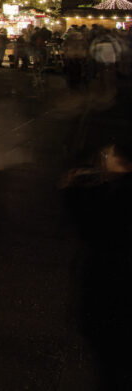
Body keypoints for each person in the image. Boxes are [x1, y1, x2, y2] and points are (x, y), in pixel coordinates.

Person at [63, 134, 132, 388]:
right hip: (114, 292)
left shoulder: (119, 194)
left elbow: (92, 228)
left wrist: (70, 192)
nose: (105, 160)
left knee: (111, 364)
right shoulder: (115, 190)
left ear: (126, 163)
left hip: (112, 291)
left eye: (110, 156)